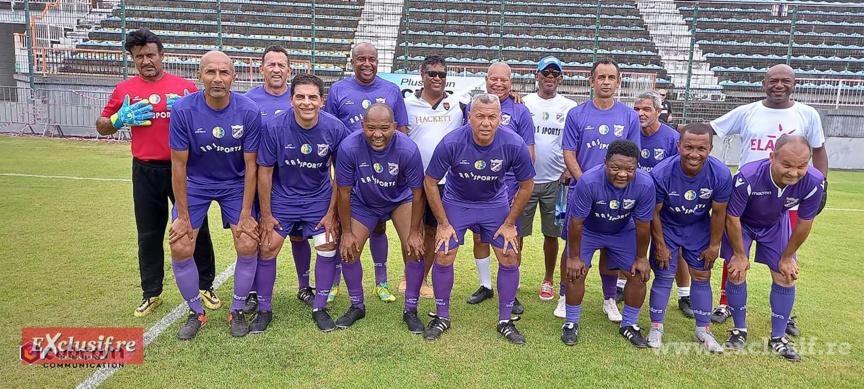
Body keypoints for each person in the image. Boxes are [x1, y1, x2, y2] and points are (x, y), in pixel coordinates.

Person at [96, 28, 219, 318]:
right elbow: (102, 125)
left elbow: (207, 120)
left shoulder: (186, 87)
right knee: (149, 234)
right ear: (132, 59)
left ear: (162, 55)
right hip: (145, 170)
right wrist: (116, 119)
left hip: (184, 169)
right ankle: (151, 292)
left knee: (194, 230)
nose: (146, 60)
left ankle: (206, 285)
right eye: (139, 56)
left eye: (151, 54)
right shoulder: (124, 89)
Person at [709, 64, 828, 338]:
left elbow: (819, 150)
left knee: (786, 270)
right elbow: (711, 128)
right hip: (748, 199)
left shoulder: (807, 115)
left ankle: (781, 325)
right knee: (737, 265)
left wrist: (822, 184)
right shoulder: (748, 112)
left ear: (794, 84)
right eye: (773, 81)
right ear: (764, 83)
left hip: (784, 208)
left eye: (786, 81)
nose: (779, 85)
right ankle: (732, 313)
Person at [424, 93, 535, 344]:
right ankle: (442, 315)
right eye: (481, 116)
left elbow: (527, 185)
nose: (486, 123)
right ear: (469, 117)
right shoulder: (451, 142)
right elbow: (430, 182)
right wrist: (442, 223)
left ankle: (505, 320)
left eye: (492, 117)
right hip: (457, 203)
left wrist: (509, 224)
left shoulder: (513, 143)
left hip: (494, 204)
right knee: (443, 252)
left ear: (500, 119)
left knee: (508, 254)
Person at [167, 51, 261, 340]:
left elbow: (251, 166)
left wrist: (246, 214)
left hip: (235, 183)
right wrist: (183, 216)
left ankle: (238, 309)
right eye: (210, 72)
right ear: (199, 76)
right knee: (181, 245)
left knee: (247, 242)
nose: (217, 79)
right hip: (196, 182)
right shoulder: (183, 109)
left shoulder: (248, 110)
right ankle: (196, 312)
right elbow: (179, 165)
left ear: (234, 76)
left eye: (224, 73)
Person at [256, 74, 348, 333]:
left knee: (327, 246)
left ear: (322, 101)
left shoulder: (334, 128)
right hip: (283, 198)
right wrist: (266, 214)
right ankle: (264, 309)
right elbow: (264, 171)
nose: (306, 102)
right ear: (291, 99)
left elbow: (340, 174)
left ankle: (320, 307)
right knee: (267, 246)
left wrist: (332, 213)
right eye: (300, 97)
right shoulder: (274, 127)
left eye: (312, 97)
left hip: (318, 198)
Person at [721, 136, 824, 361]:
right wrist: (739, 254)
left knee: (786, 276)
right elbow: (732, 217)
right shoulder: (748, 176)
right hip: (743, 225)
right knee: (736, 272)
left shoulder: (815, 181)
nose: (794, 172)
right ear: (772, 157)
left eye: (801, 166)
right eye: (786, 165)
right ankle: (739, 329)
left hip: (775, 225)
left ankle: (778, 337)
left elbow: (805, 222)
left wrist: (787, 257)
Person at [325, 42, 409, 302]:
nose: (366, 64)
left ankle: (381, 282)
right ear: (352, 62)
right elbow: (329, 131)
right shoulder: (338, 90)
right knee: (342, 227)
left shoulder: (391, 90)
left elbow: (402, 132)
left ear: (378, 61)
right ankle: (335, 281)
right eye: (361, 59)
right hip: (349, 175)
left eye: (371, 59)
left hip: (383, 176)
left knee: (380, 228)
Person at [558, 58, 641, 322]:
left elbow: (633, 157)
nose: (606, 82)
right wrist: (585, 184)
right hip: (583, 191)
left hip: (618, 195)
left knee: (611, 247)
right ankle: (564, 295)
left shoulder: (628, 116)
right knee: (573, 245)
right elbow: (569, 153)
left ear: (618, 82)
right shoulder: (577, 114)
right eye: (601, 77)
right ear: (592, 81)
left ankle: (609, 299)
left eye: (611, 78)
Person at [336, 103, 426, 331]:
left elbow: (418, 193)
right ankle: (357, 305)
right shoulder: (348, 147)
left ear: (395, 126)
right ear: (362, 126)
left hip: (399, 200)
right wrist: (346, 232)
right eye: (371, 128)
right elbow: (343, 192)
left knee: (414, 249)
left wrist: (415, 233)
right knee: (349, 250)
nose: (377, 135)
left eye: (385, 128)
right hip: (364, 201)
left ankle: (411, 309)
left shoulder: (408, 149)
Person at [243, 45, 318, 313]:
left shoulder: (301, 97)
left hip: (294, 183)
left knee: (299, 237)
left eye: (281, 65)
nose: (276, 69)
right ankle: (253, 292)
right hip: (259, 182)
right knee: (255, 237)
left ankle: (304, 287)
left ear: (289, 70)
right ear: (261, 68)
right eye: (270, 64)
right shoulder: (248, 101)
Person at [646, 124, 732, 352]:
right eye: (689, 147)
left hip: (698, 228)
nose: (694, 154)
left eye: (701, 148)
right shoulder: (662, 172)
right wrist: (660, 245)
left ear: (710, 148)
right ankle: (656, 327)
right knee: (664, 274)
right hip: (668, 226)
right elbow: (653, 213)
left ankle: (703, 330)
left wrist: (715, 245)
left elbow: (719, 212)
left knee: (702, 276)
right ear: (679, 146)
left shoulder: (721, 174)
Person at [561, 139, 653, 348]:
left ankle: (629, 324)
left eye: (629, 169)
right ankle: (571, 322)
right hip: (589, 230)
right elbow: (576, 223)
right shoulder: (589, 181)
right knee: (575, 271)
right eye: (616, 168)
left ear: (637, 166)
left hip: (622, 229)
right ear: (605, 163)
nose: (622, 174)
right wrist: (574, 258)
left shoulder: (646, 184)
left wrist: (641, 258)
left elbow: (643, 225)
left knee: (638, 274)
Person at [465, 62, 535, 315]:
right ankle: (485, 285)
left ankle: (511, 291)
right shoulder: (474, 107)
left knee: (509, 240)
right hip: (477, 187)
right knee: (478, 236)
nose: (499, 84)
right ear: (486, 79)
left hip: (507, 190)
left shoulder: (520, 110)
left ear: (511, 82)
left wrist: (518, 187)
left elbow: (529, 153)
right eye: (494, 79)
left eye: (504, 80)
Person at [628, 91, 695, 319]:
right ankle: (619, 287)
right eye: (637, 109)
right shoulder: (630, 132)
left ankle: (684, 295)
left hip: (664, 204)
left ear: (659, 111)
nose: (640, 113)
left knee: (674, 249)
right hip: (634, 200)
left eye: (646, 109)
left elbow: (678, 170)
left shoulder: (670, 138)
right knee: (627, 244)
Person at [404, 55, 465, 299]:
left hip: (444, 183)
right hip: (413, 180)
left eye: (442, 74)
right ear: (422, 73)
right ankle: (408, 275)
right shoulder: (406, 103)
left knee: (431, 231)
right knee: (410, 229)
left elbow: (491, 107)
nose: (437, 78)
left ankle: (423, 277)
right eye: (433, 74)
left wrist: (513, 96)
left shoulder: (460, 104)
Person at [520, 55, 577, 301]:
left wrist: (569, 169)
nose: (550, 77)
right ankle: (514, 274)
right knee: (517, 232)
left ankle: (548, 279)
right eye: (546, 73)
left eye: (555, 73)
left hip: (557, 181)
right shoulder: (523, 102)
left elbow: (575, 142)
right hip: (526, 181)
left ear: (561, 78)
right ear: (537, 76)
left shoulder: (570, 106)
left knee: (552, 234)